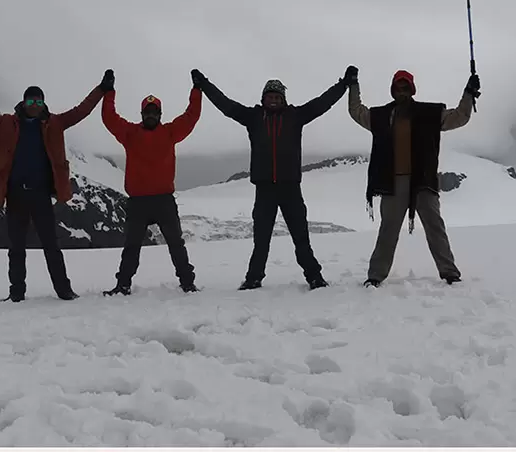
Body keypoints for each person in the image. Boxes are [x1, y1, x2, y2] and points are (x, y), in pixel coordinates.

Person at [0, 70, 114, 302]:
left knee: (51, 245)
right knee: (16, 247)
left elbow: (82, 110)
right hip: (16, 195)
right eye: (31, 100)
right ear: (23, 102)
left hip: (40, 195)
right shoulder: (5, 123)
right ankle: (16, 293)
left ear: (43, 103)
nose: (35, 105)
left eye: (39, 101)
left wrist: (101, 89)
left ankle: (64, 290)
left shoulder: (56, 123)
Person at [192, 67, 354, 290]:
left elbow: (321, 103)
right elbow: (226, 105)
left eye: (278, 97)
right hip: (265, 188)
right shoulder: (253, 117)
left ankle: (314, 277)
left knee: (301, 238)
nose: (274, 100)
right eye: (270, 97)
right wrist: (205, 85)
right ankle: (254, 278)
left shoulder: (295, 116)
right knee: (261, 240)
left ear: (284, 99)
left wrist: (344, 84)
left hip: (290, 188)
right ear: (263, 99)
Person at [346, 66, 480, 287]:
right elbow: (356, 111)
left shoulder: (429, 114)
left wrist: (468, 93)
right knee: (388, 230)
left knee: (435, 226)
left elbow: (459, 117)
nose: (401, 91)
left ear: (412, 89)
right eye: (398, 87)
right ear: (392, 90)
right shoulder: (380, 116)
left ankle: (450, 273)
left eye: (405, 87)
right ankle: (375, 276)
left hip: (422, 180)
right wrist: (353, 85)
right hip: (393, 182)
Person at [100, 70, 202, 295]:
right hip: (139, 202)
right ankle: (123, 285)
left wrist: (197, 90)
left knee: (176, 244)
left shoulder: (169, 132)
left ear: (160, 114)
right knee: (132, 247)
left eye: (154, 112)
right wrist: (109, 92)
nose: (151, 115)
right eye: (148, 112)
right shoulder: (130, 133)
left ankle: (187, 283)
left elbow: (191, 116)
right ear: (142, 113)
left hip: (163, 200)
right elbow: (109, 118)